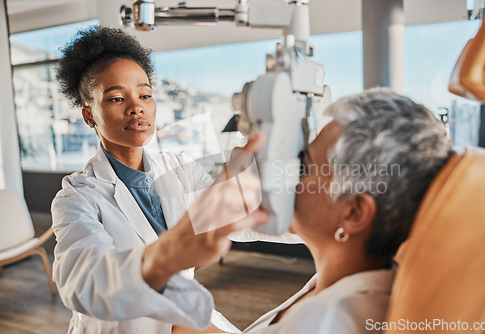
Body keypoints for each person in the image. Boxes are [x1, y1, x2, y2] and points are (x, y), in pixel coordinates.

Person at [51, 25, 268, 334]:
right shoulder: (76, 197)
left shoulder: (180, 168)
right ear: (89, 115)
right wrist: (168, 254)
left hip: (182, 318)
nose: (136, 106)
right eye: (116, 98)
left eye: (145, 94)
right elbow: (83, 281)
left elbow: (237, 216)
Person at [233, 88, 452, 334]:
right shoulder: (343, 286)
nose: (288, 176)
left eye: (304, 167)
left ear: (354, 214)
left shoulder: (324, 321)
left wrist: (182, 259)